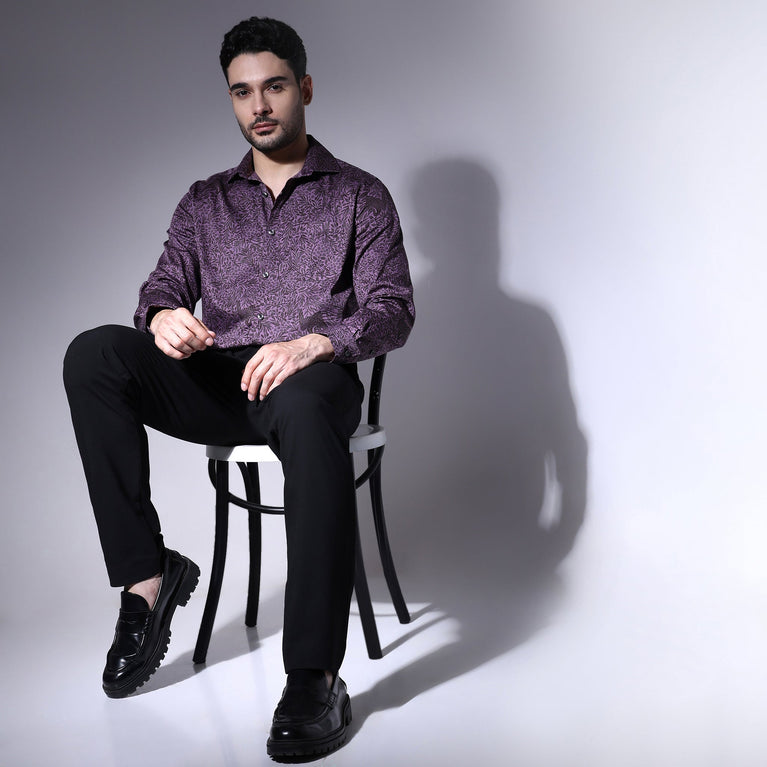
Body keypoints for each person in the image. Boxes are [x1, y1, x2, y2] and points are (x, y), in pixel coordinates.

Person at [63, 16, 414, 760]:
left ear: (304, 88)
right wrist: (162, 316)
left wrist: (319, 341)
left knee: (306, 401)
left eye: (274, 86)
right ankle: (147, 579)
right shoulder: (204, 202)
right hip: (219, 383)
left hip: (310, 380)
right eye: (242, 91)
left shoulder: (360, 195)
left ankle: (314, 674)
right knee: (93, 354)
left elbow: (393, 308)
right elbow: (162, 285)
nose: (259, 105)